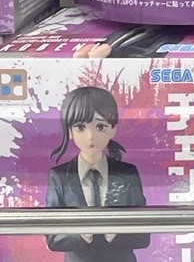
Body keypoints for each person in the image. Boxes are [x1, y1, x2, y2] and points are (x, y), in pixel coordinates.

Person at [46, 87, 149, 261]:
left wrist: (115, 232)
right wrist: (82, 234)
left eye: (100, 126)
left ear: (113, 128)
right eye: (80, 127)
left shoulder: (128, 173)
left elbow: (143, 235)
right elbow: (53, 238)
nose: (90, 137)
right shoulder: (59, 176)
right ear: (69, 131)